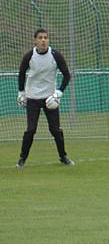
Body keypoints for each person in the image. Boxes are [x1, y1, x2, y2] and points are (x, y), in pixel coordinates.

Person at [16, 28, 75, 168]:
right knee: (31, 129)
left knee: (55, 129)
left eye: (46, 37)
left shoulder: (56, 55)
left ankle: (63, 156)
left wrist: (59, 92)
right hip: (33, 98)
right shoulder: (29, 56)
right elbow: (21, 73)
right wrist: (21, 92)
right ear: (35, 40)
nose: (43, 40)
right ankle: (22, 158)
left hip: (50, 98)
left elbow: (67, 75)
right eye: (40, 38)